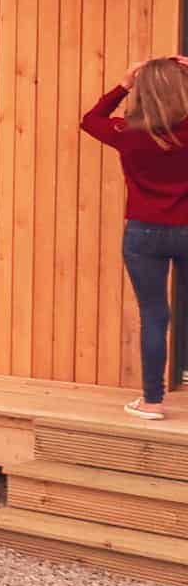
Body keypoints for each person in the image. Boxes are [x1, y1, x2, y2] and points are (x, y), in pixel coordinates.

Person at [80, 54, 188, 419]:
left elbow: (90, 120)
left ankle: (152, 402)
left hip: (144, 234)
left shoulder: (127, 134)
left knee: (155, 315)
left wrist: (123, 84)